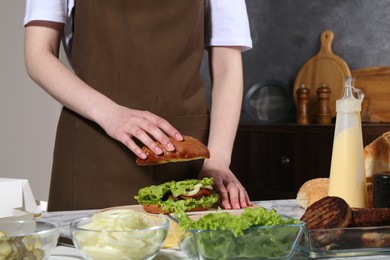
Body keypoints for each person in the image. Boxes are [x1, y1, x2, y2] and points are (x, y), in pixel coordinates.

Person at [24, 0, 253, 211]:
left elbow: (227, 65)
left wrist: (219, 160)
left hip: (186, 151)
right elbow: (38, 54)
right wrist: (109, 114)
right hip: (96, 147)